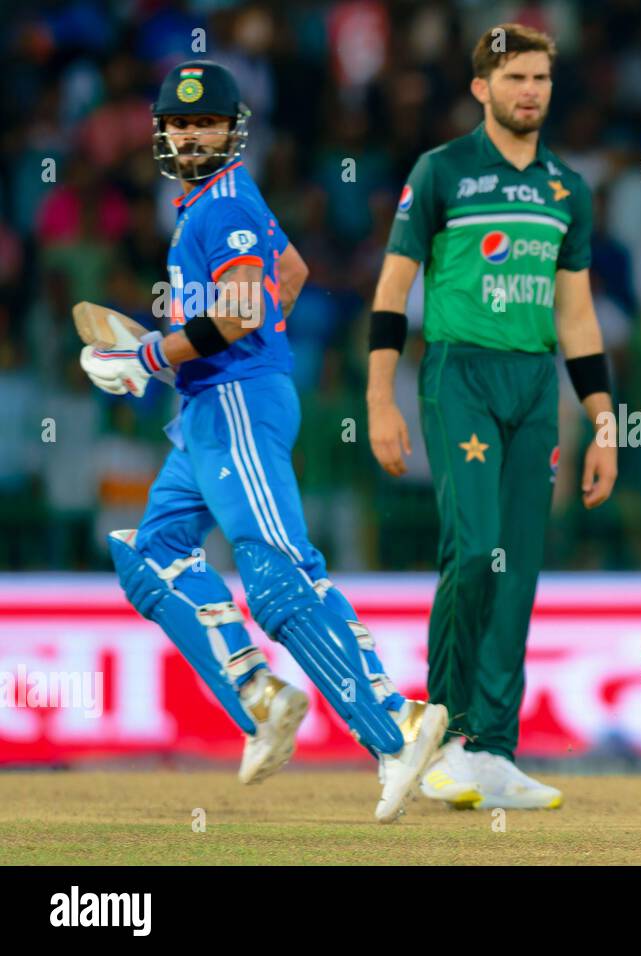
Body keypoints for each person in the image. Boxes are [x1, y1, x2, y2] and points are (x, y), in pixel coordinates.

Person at [80, 60, 446, 824]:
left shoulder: (223, 202)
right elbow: (292, 270)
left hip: (235, 400)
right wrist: (197, 348)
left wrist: (150, 355)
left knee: (277, 577)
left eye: (204, 122)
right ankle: (257, 690)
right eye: (178, 125)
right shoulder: (210, 205)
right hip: (209, 411)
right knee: (151, 558)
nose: (190, 135)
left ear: (233, 129)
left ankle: (397, 725)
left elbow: (244, 310)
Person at [366, 25, 617, 810]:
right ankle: (441, 731)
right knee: (474, 552)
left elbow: (576, 316)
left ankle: (493, 752)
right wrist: (378, 400)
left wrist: (603, 422)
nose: (530, 91)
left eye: (541, 77)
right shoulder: (441, 172)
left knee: (518, 566)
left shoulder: (565, 188)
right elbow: (391, 289)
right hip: (459, 375)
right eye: (514, 78)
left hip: (533, 384)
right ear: (481, 88)